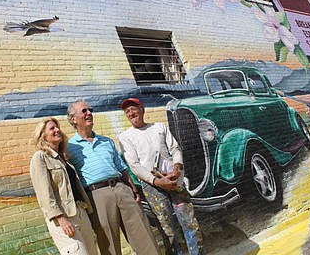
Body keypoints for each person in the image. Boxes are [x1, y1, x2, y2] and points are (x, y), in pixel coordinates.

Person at [66, 99, 160, 255]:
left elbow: (122, 168)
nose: (89, 113)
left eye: (90, 110)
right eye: (84, 111)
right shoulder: (70, 147)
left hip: (122, 189)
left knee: (144, 235)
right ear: (73, 119)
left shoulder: (106, 141)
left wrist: (133, 189)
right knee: (108, 244)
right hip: (97, 196)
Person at [118, 98, 204, 255]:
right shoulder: (125, 137)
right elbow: (135, 166)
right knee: (167, 228)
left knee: (189, 222)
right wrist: (157, 181)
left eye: (133, 108)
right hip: (152, 187)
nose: (131, 113)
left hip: (173, 179)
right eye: (127, 111)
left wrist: (177, 169)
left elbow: (175, 149)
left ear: (142, 109)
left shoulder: (159, 127)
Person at [30, 118, 98, 255]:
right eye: (52, 128)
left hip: (80, 211)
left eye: (57, 127)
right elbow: (44, 193)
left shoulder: (64, 158)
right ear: (43, 135)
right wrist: (60, 218)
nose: (57, 130)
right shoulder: (40, 158)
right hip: (63, 217)